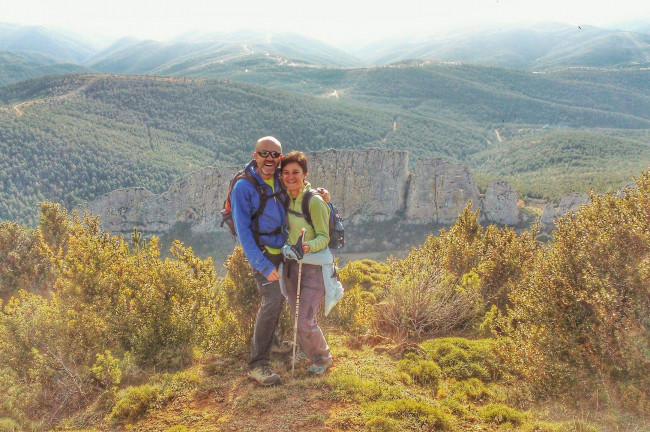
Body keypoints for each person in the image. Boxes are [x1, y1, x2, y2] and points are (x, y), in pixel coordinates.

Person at [231, 137, 330, 386]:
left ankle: (274, 344)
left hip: (284, 250)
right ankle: (258, 364)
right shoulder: (243, 188)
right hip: (263, 254)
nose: (270, 159)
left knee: (285, 297)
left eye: (275, 155)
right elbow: (244, 233)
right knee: (272, 299)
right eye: (264, 153)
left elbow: (297, 186)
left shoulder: (276, 177)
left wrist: (321, 195)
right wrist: (263, 266)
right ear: (255, 156)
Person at [281, 151, 333, 375]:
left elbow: (324, 236)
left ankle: (323, 357)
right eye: (286, 173)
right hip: (292, 264)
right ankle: (305, 348)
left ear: (305, 174)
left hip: (314, 268)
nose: (291, 177)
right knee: (296, 314)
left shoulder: (314, 201)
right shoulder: (285, 196)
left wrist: (308, 246)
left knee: (305, 320)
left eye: (296, 172)